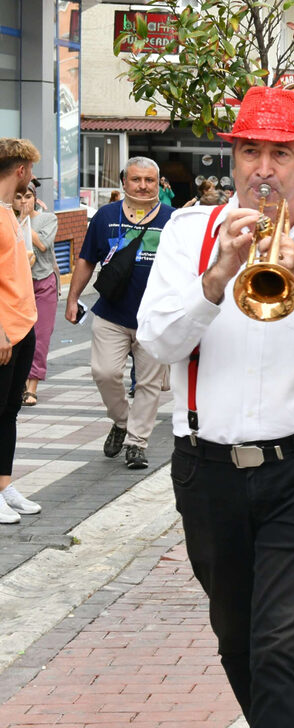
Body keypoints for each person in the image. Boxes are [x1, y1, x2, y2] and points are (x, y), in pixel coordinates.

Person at [136, 86, 294, 727]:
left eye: (280, 153)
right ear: (234, 159)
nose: (263, 168)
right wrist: (217, 277)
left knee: (285, 646)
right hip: (206, 469)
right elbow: (157, 341)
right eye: (250, 150)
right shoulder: (190, 233)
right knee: (238, 639)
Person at [66, 156, 173, 470]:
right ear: (124, 181)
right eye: (136, 179)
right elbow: (86, 260)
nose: (142, 186)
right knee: (105, 373)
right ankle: (122, 420)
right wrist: (72, 298)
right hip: (111, 313)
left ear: (159, 183)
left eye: (149, 180)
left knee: (149, 384)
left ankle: (137, 443)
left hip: (155, 318)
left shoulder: (172, 219)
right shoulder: (105, 216)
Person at [0, 139, 41, 525]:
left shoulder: (10, 213)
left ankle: (4, 485)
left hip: (22, 323)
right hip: (4, 331)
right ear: (22, 170)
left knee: (9, 411)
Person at [16, 185, 57, 407]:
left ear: (36, 199)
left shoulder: (48, 219)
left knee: (41, 336)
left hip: (43, 282)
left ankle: (32, 386)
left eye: (28, 197)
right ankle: (19, 381)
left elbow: (42, 245)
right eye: (19, 197)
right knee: (19, 335)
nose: (24, 201)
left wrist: (23, 220)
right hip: (17, 286)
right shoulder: (6, 219)